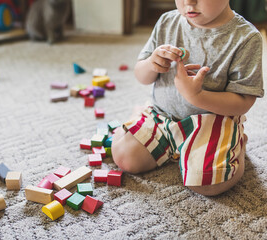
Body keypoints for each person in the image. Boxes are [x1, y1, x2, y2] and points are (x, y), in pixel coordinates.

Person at [111, 0, 264, 196]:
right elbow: (141, 76)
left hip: (213, 122)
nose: (188, 2)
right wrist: (151, 64)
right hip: (162, 116)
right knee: (125, 158)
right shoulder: (167, 21)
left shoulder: (246, 37)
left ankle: (237, 144)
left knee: (208, 184)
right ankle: (143, 117)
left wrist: (197, 96)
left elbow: (243, 102)